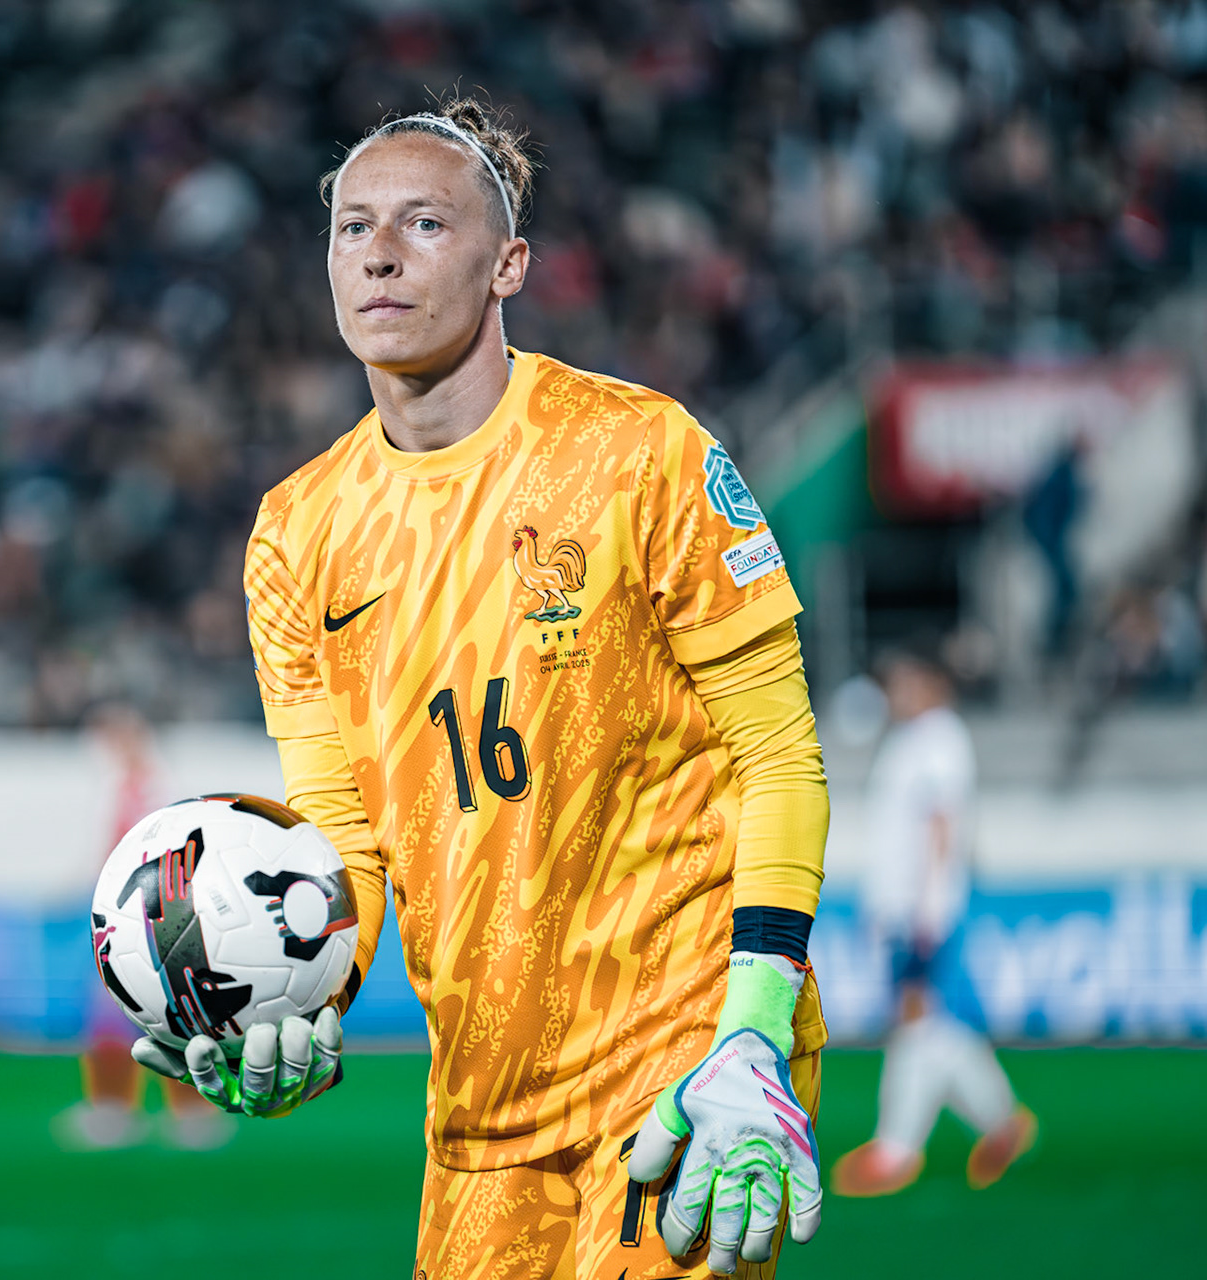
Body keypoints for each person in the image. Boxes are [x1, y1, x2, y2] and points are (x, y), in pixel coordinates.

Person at [132, 98, 831, 1278]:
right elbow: (343, 836)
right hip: (485, 1100)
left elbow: (778, 753)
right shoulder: (296, 534)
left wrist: (754, 1024)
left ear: (509, 263)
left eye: (423, 223)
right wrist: (300, 1002)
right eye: (354, 228)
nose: (382, 253)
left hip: (683, 1049)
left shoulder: (639, 453)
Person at [831, 647, 1035, 1197]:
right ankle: (1001, 1121)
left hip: (923, 911)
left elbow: (944, 825)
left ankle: (896, 1149)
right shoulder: (912, 741)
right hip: (904, 909)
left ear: (928, 682)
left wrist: (930, 907)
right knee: (929, 1023)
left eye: (901, 680)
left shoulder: (941, 740)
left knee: (917, 1021)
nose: (893, 693)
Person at [53, 703, 233, 1151]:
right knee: (123, 1017)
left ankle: (182, 1110)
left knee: (163, 1013)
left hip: (150, 919)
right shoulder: (124, 786)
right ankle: (122, 1108)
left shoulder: (152, 788)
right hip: (128, 917)